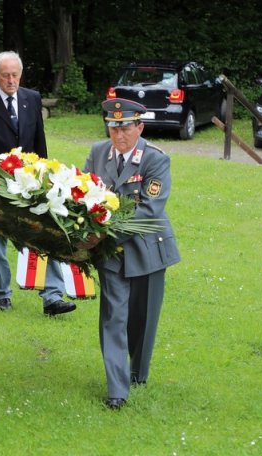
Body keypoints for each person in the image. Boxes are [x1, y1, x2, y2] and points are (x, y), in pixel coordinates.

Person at [82, 98, 180, 409]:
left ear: (140, 127)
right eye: (113, 127)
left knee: (142, 319)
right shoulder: (98, 153)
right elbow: (82, 194)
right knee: (113, 317)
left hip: (147, 250)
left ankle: (137, 372)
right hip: (110, 252)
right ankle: (117, 389)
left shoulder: (155, 159)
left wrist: (100, 236)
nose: (118, 134)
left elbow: (149, 211)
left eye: (125, 128)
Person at [0, 51, 75, 315]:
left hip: (31, 184)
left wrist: (46, 179)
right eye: (5, 76)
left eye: (15, 75)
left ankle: (52, 296)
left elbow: (39, 143)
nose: (11, 80)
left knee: (46, 234)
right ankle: (2, 294)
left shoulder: (31, 98)